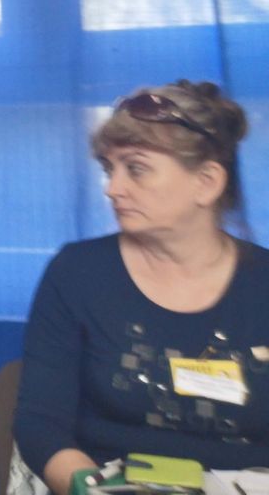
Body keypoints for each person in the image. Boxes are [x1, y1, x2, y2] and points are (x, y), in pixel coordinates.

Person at [14, 81, 269, 494]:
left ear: (206, 182)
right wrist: (90, 487)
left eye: (135, 168)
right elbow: (40, 423)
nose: (112, 188)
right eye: (109, 169)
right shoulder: (77, 272)